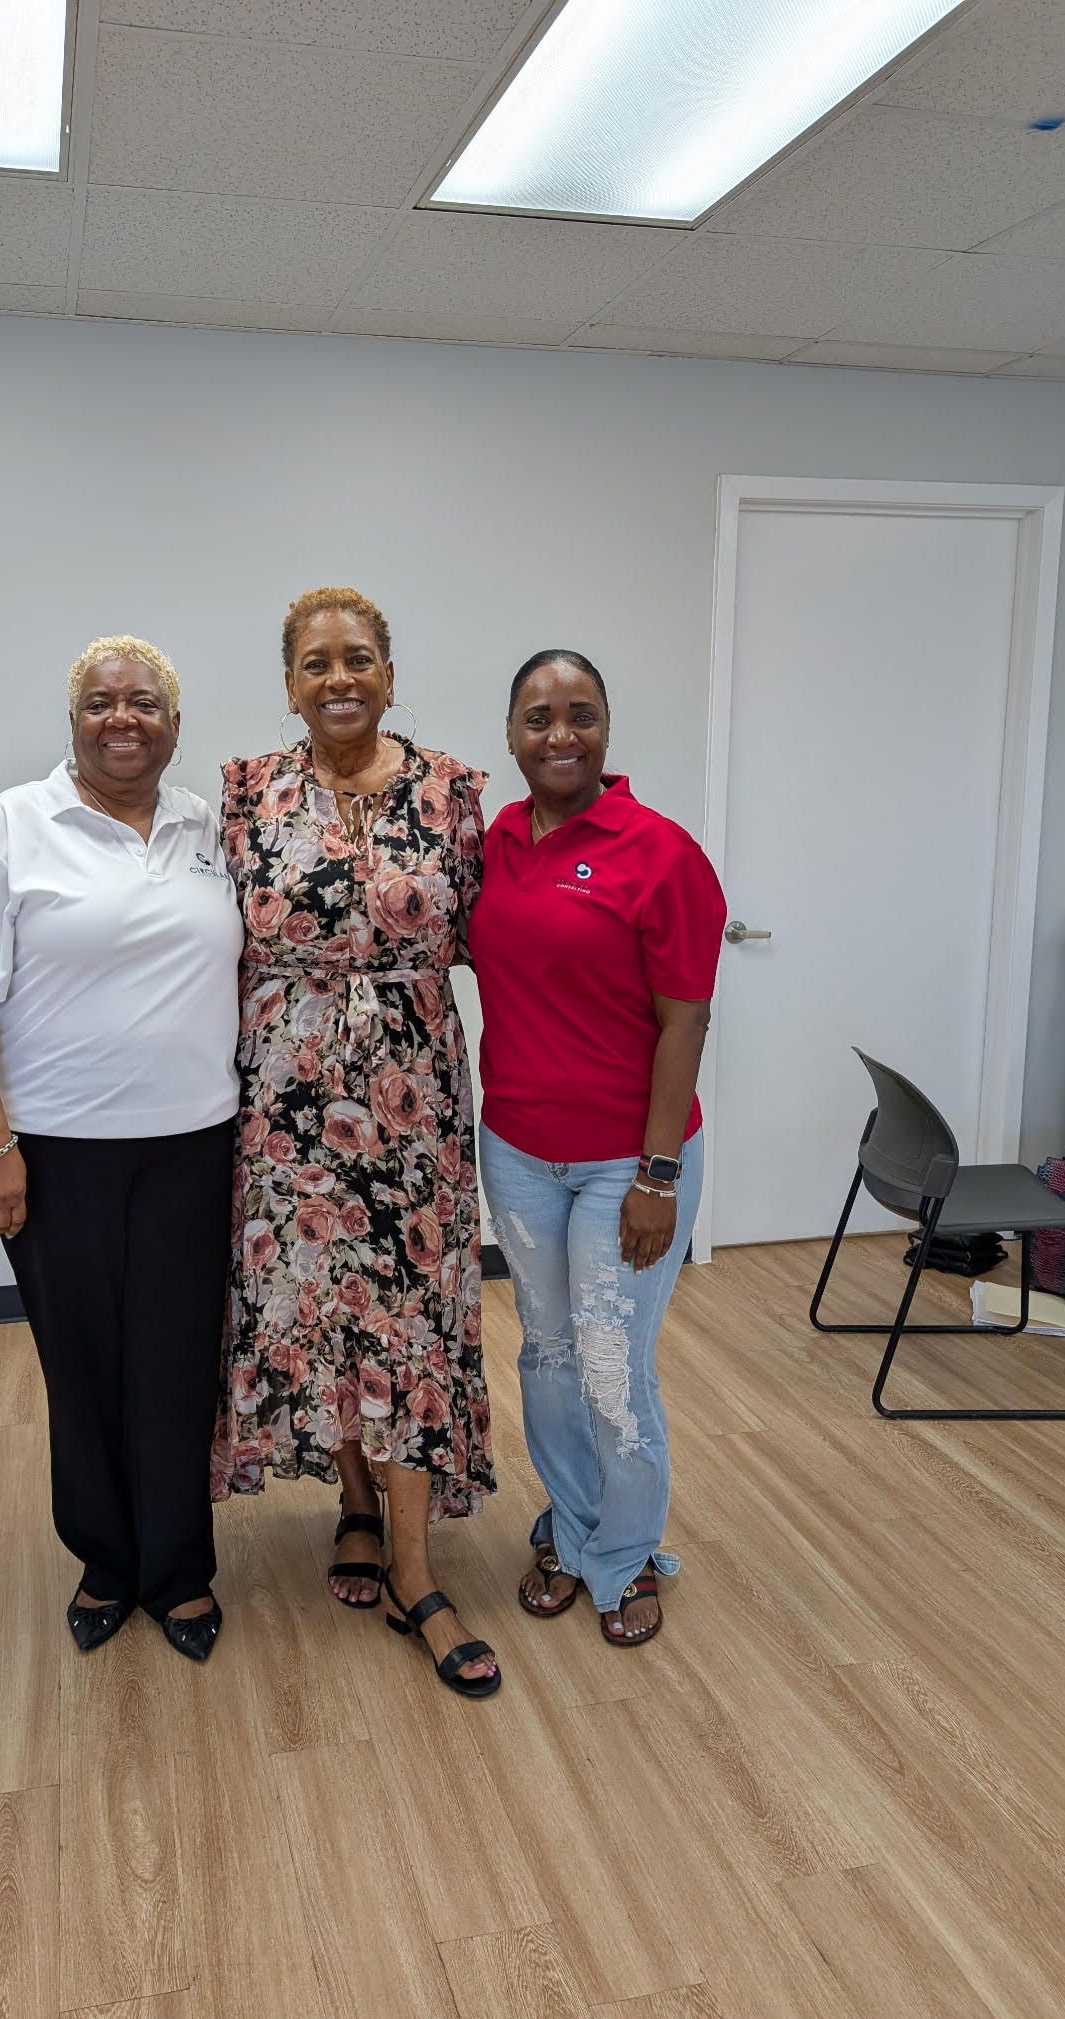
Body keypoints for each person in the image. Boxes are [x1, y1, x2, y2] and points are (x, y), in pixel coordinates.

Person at [0, 635, 243, 1663]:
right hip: (58, 1155)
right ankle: (108, 1559)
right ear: (72, 721)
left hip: (196, 1147)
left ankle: (180, 1568)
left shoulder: (207, 826)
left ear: (174, 724)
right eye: (101, 701)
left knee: (180, 1361)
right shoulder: (9, 828)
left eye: (144, 701)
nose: (123, 717)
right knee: (87, 1360)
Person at [212, 587, 500, 1698]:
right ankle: (355, 1503)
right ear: (290, 682)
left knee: (410, 1313)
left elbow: (499, 941)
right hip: (284, 1104)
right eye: (318, 662)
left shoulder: (455, 793)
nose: (340, 677)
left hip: (413, 1099)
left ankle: (419, 1573)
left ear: (390, 674)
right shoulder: (244, 795)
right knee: (322, 1304)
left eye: (361, 658)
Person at [468, 650, 725, 1646]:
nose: (559, 734)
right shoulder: (498, 842)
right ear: (512, 734)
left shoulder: (660, 852)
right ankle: (570, 1528)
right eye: (538, 717)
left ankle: (624, 1550)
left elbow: (686, 1021)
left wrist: (658, 1174)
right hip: (521, 1149)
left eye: (580, 714)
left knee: (614, 1362)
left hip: (631, 1158)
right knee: (548, 1353)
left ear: (607, 727)